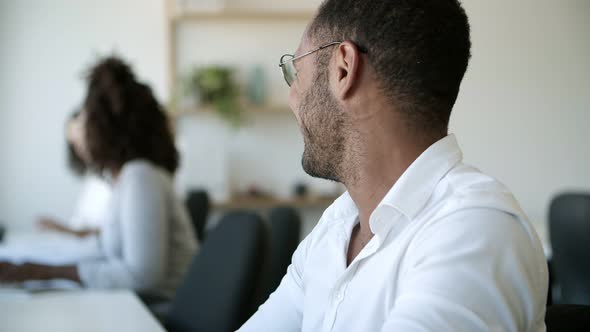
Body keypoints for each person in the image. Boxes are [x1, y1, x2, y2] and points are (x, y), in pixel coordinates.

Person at [239, 1, 548, 331]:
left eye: (296, 72)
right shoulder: (335, 228)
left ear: (343, 69)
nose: (293, 98)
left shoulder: (475, 231)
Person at [0, 56, 198, 299]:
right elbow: (107, 252)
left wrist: (38, 271)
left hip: (156, 316)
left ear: (103, 128)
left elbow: (143, 276)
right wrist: (31, 266)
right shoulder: (129, 178)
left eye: (84, 122)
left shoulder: (141, 177)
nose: (78, 136)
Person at [37, 110, 112, 238]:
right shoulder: (94, 179)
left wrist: (64, 230)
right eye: (74, 143)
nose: (79, 147)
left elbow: (112, 232)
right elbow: (80, 224)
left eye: (80, 137)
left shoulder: (118, 177)